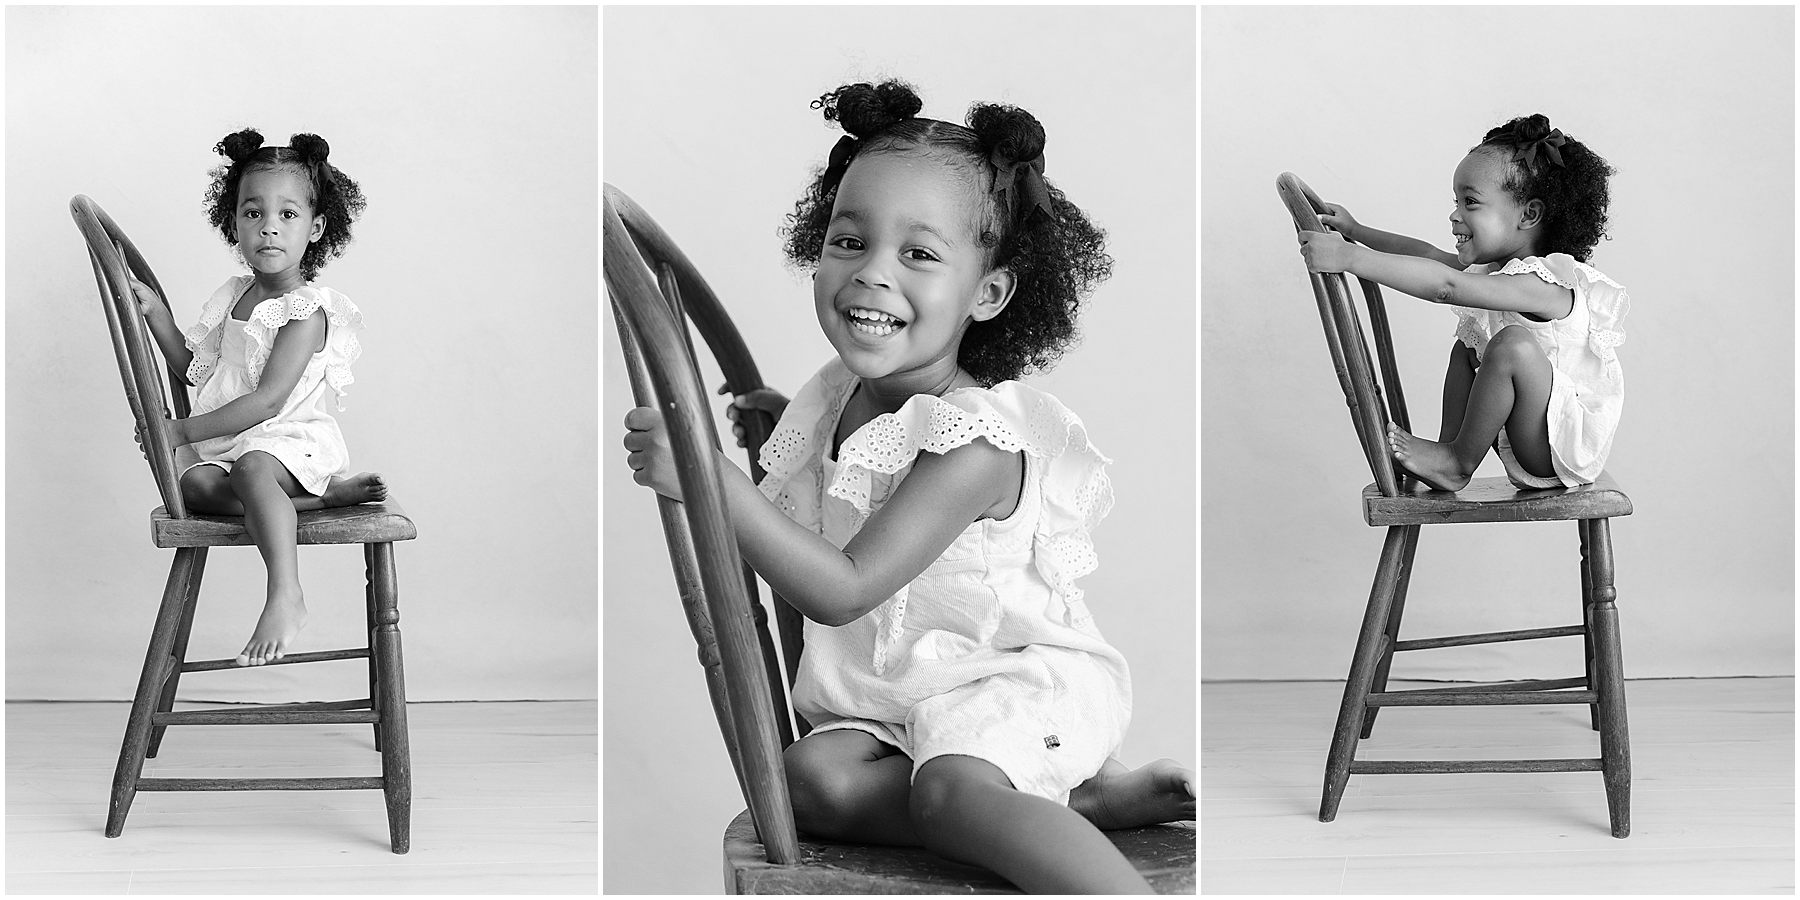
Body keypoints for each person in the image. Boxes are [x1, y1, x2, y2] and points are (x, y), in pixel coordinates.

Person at [623, 80, 1191, 894]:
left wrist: (711, 481)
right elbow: (857, 482)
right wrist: (786, 432)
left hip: (1010, 682)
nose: (872, 275)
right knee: (801, 783)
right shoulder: (839, 399)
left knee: (951, 790)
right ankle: (1077, 800)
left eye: (919, 254)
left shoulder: (977, 445)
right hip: (906, 701)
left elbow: (844, 588)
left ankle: (1081, 852)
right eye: (849, 241)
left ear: (988, 294)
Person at [133, 129, 385, 667]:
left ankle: (285, 593)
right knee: (196, 484)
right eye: (253, 212)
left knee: (250, 469)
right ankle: (318, 503)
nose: (268, 225)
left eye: (288, 215)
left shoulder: (307, 310)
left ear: (317, 229)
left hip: (289, 444)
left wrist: (177, 431)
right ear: (234, 224)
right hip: (237, 445)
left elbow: (268, 402)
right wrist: (158, 318)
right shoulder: (233, 297)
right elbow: (200, 373)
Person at [1299, 114, 1627, 493]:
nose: (1455, 214)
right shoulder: (1499, 270)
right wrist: (1356, 232)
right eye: (1456, 201)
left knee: (1511, 345)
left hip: (1558, 446)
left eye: (1470, 202)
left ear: (1529, 215)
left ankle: (1457, 463)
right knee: (1469, 346)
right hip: (1530, 429)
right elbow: (1426, 255)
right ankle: (1446, 448)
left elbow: (1447, 286)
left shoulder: (1541, 283)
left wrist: (1351, 260)